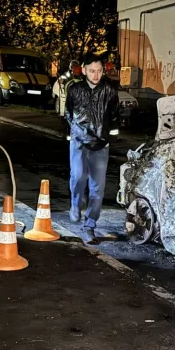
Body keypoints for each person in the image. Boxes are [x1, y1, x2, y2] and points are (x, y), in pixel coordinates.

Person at [65, 53, 120, 244]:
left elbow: (114, 115)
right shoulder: (75, 89)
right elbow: (68, 112)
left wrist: (108, 136)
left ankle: (89, 226)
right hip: (79, 142)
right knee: (78, 176)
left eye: (99, 71)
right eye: (91, 71)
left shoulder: (110, 91)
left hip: (100, 145)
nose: (95, 75)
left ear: (103, 71)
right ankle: (75, 203)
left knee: (98, 189)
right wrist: (76, 131)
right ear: (84, 70)